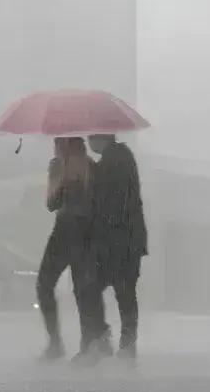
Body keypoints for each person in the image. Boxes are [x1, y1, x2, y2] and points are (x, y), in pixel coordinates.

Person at [36, 137, 103, 362]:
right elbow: (51, 204)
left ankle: (88, 344)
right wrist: (59, 182)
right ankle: (56, 342)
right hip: (64, 231)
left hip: (81, 232)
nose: (55, 146)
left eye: (59, 142)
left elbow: (96, 205)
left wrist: (75, 182)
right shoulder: (56, 165)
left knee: (82, 289)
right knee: (45, 284)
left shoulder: (90, 168)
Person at [88, 134, 148, 357]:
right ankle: (125, 342)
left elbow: (112, 200)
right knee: (123, 292)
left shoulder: (115, 160)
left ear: (100, 139)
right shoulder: (118, 158)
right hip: (126, 239)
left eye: (90, 138)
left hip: (120, 241)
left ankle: (115, 340)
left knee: (100, 288)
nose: (88, 142)